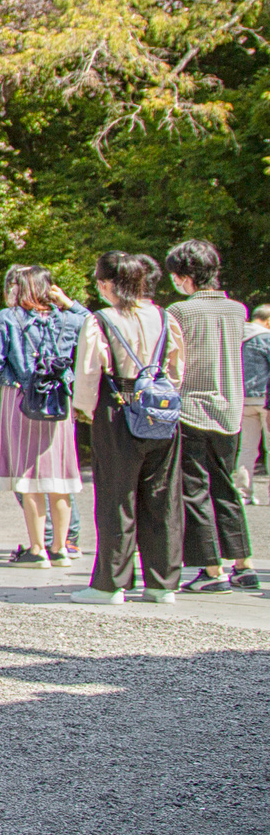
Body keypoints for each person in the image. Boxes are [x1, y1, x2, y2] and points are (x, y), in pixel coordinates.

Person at [71, 251, 187, 605]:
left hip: (119, 408)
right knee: (162, 496)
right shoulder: (165, 317)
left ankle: (111, 583)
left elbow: (89, 372)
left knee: (117, 496)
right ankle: (162, 583)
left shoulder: (101, 320)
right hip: (161, 411)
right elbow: (177, 368)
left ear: (108, 284)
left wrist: (84, 410)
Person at [0, 266, 87, 566]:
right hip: (59, 399)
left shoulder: (8, 318)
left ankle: (37, 549)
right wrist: (68, 302)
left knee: (29, 474)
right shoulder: (65, 319)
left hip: (22, 397)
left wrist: (12, 374)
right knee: (58, 475)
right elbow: (93, 323)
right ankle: (61, 547)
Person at [163, 241, 254, 593]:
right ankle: (243, 563)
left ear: (185, 278)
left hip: (192, 407)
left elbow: (175, 361)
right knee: (226, 485)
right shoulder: (238, 309)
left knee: (194, 489)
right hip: (230, 408)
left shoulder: (179, 312)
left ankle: (211, 568)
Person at [241, 303, 270, 504]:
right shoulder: (267, 338)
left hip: (243, 399)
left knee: (247, 448)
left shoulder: (238, 337)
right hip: (265, 399)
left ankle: (244, 493)